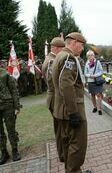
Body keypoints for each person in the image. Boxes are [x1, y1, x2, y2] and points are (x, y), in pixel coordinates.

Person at [51, 32, 91, 173]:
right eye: (81, 46)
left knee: (68, 143)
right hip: (71, 109)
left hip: (61, 109)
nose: (82, 49)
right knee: (77, 145)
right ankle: (74, 170)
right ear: (73, 42)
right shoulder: (69, 58)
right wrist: (74, 113)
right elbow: (66, 86)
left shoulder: (59, 56)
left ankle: (71, 170)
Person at [41, 37, 65, 162]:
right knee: (60, 128)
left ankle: (63, 153)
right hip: (55, 99)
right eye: (62, 49)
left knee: (60, 127)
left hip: (54, 98)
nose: (63, 52)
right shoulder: (51, 61)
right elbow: (53, 82)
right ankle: (63, 155)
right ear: (56, 48)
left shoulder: (51, 59)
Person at [0, 65, 21, 165]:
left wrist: (17, 106)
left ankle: (14, 150)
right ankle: (4, 152)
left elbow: (14, 89)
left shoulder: (5, 73)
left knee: (11, 129)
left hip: (7, 105)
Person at [84, 50, 104, 115]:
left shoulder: (97, 62)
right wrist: (89, 75)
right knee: (92, 95)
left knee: (98, 95)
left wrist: (95, 75)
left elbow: (101, 71)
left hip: (97, 81)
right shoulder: (87, 63)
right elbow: (85, 73)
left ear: (94, 55)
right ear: (87, 57)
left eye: (91, 55)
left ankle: (99, 109)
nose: (90, 56)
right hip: (90, 81)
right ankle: (95, 107)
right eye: (89, 55)